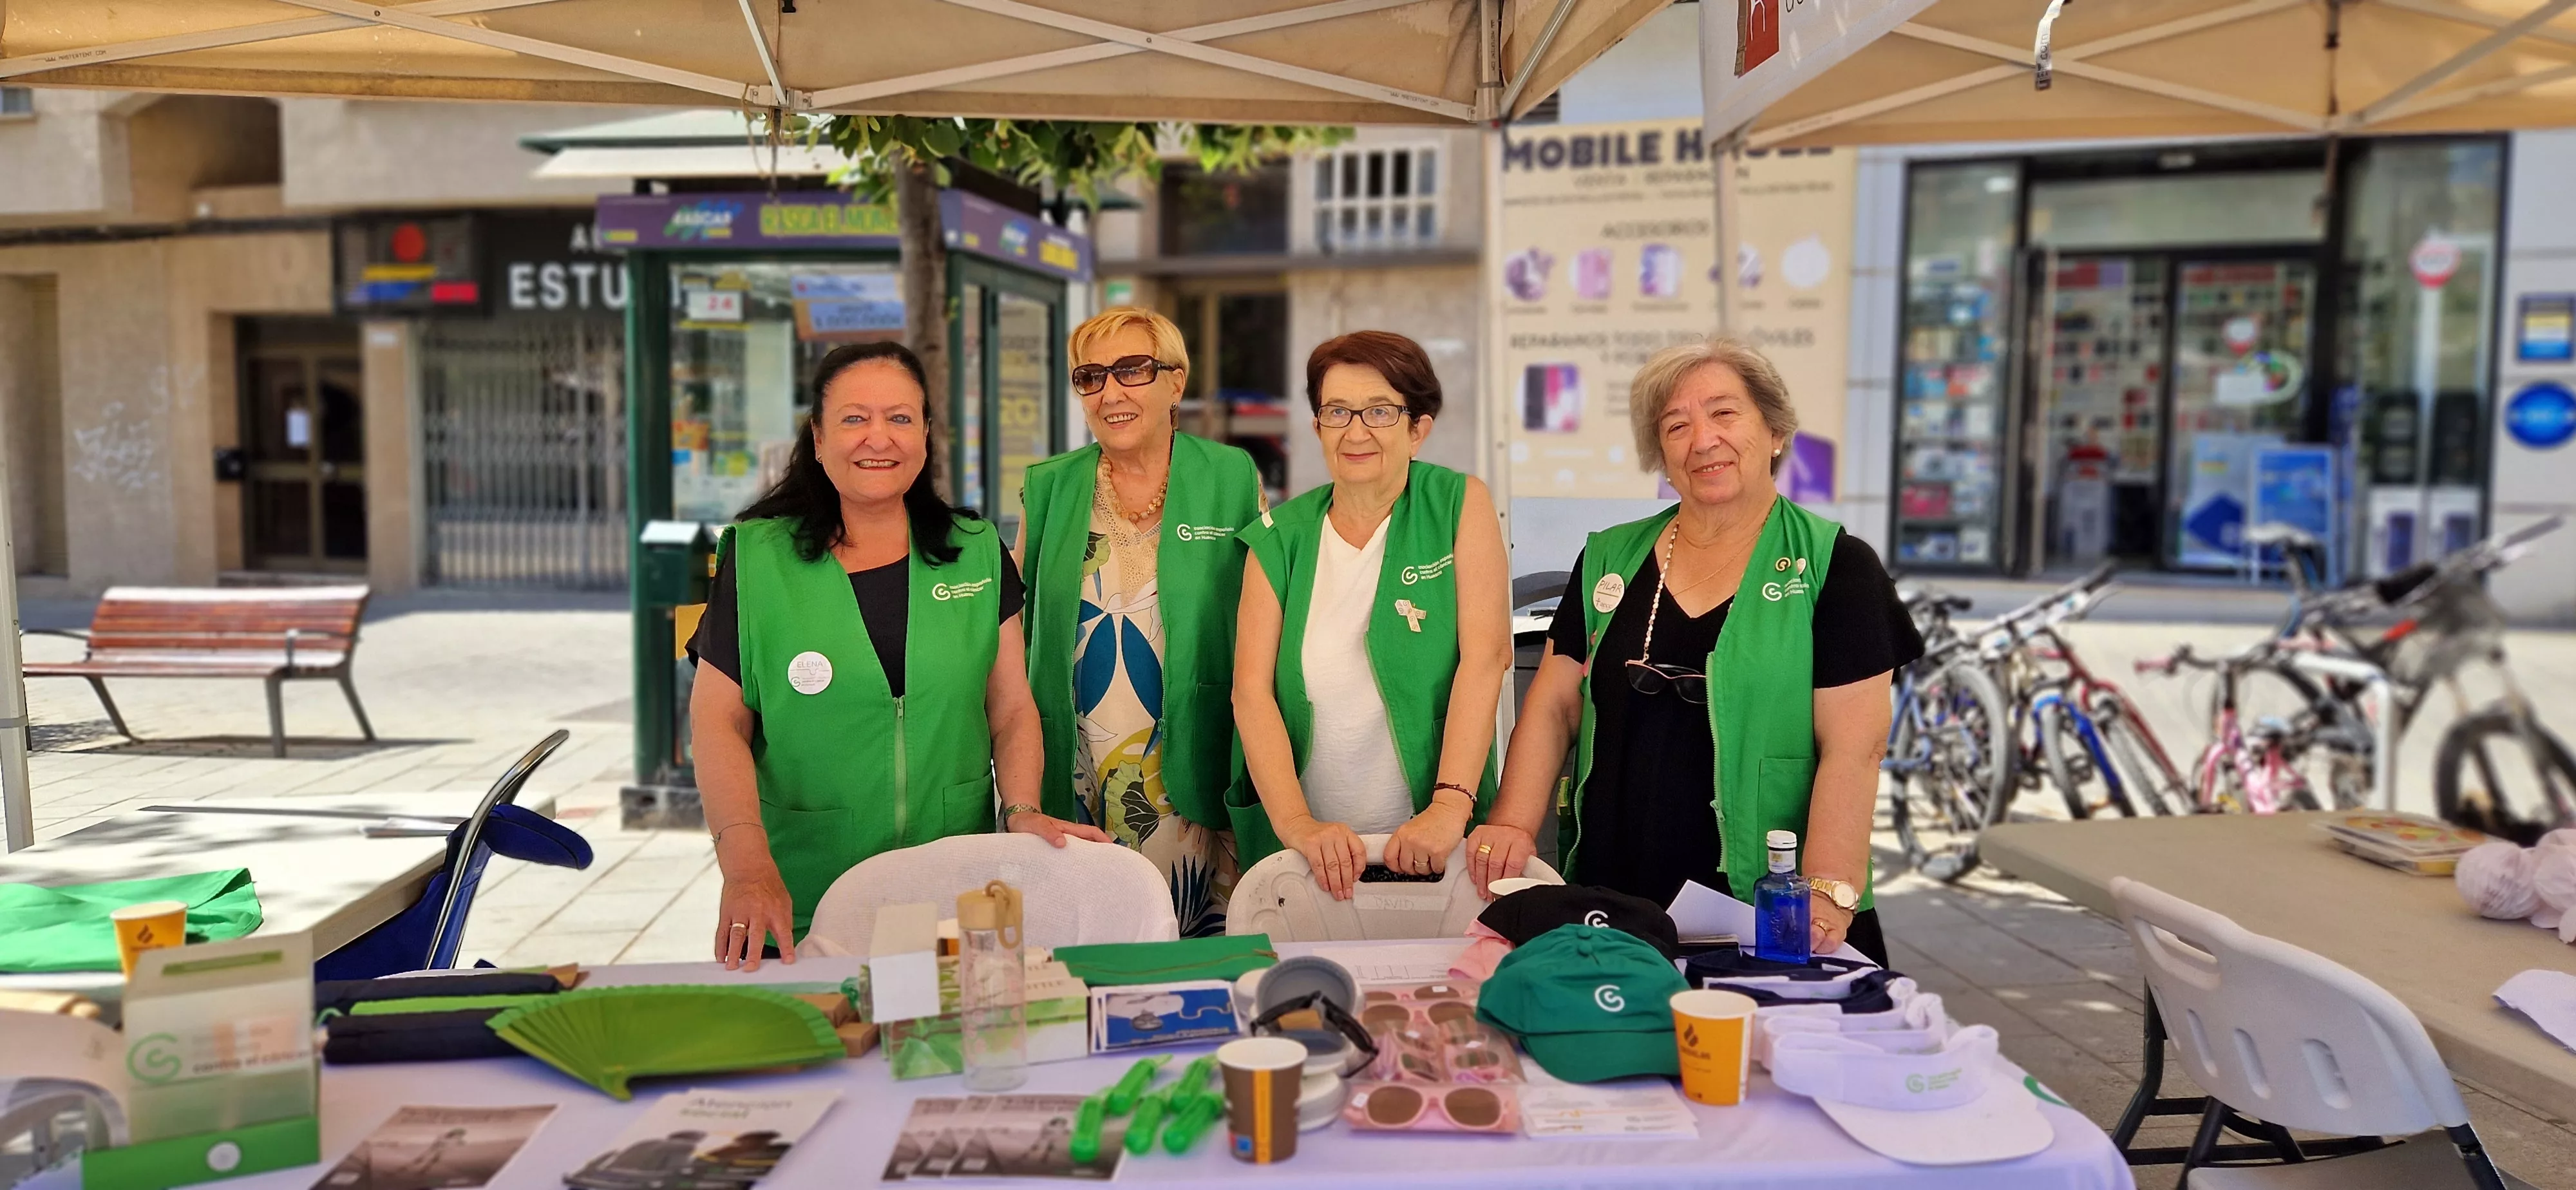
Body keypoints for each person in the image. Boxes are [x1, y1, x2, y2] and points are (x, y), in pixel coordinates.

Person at [1474, 336, 1922, 964]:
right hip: (1615, 888)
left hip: (1766, 902)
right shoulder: (1609, 556)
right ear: (1661, 453)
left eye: (1724, 413)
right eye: (1675, 425)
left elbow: (1855, 748)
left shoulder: (1835, 567)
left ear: (1775, 431)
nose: (1702, 439)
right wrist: (1513, 824)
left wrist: (1823, 891)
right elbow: (1554, 704)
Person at [688, 341, 1105, 970]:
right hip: (800, 894)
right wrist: (745, 865)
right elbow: (718, 723)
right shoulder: (755, 559)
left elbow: (1011, 707)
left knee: (948, 1053)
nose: (877, 438)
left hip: (950, 893)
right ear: (819, 436)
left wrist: (1019, 808)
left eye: (900, 418)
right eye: (855, 418)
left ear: (927, 435)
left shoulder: (975, 552)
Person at [1231, 331, 1512, 898]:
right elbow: (1251, 691)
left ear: (1418, 430)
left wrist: (1449, 806)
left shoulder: (1459, 504)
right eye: (1337, 412)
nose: (1356, 431)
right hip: (1309, 856)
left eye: (1380, 411)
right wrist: (1297, 826)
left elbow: (1486, 659)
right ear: (1317, 429)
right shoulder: (1279, 537)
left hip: (1435, 841)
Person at [1017, 308, 1267, 936]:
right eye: (1091, 376)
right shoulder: (1047, 488)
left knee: (1195, 948)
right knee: (1096, 943)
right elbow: (1016, 629)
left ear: (1175, 384)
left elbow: (1264, 620)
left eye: (1132, 370)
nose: (1111, 392)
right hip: (1079, 768)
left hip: (1191, 768)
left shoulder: (1230, 478)